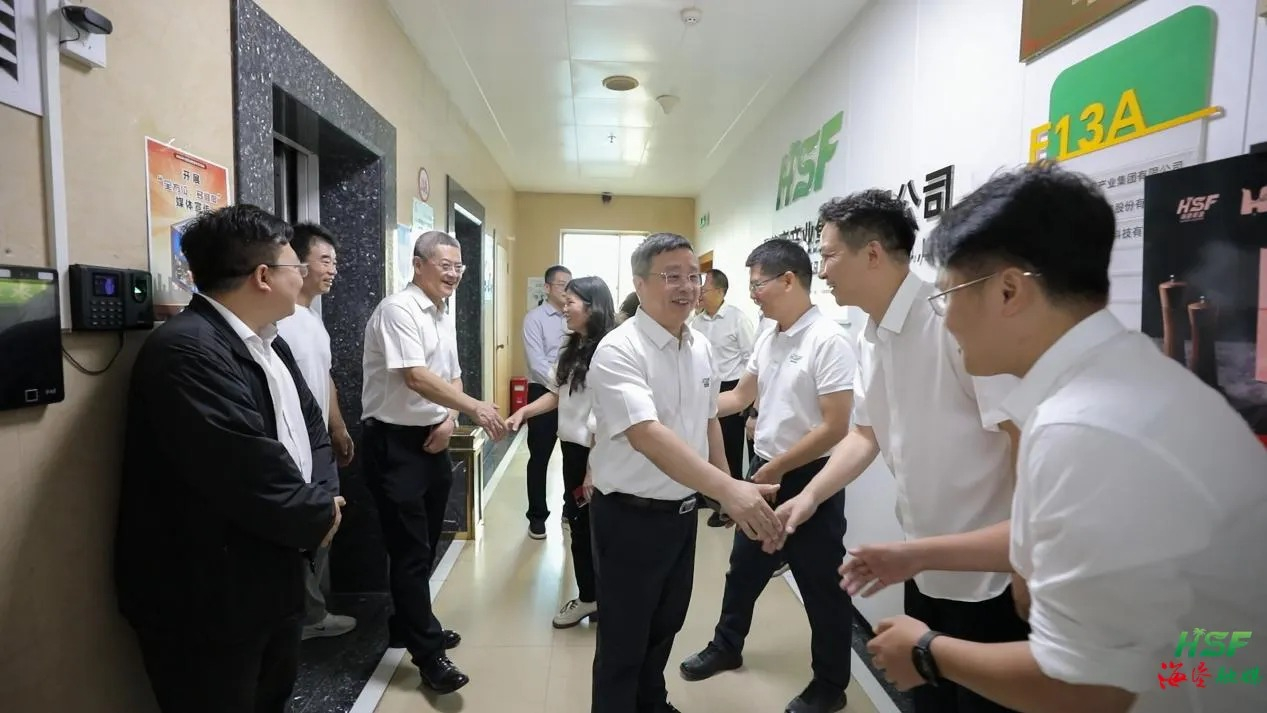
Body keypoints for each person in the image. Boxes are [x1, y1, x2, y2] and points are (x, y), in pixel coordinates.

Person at [863, 163, 1267, 713]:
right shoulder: (1121, 377)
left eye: (948, 296)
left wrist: (928, 652)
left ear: (1009, 291)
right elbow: (1047, 532)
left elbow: (1089, 687)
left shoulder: (1082, 428)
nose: (947, 320)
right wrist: (914, 556)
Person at [773, 190, 1029, 713]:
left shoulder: (953, 319)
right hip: (924, 562)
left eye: (829, 255)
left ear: (872, 253)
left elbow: (1021, 437)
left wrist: (1027, 560)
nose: (822, 270)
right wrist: (811, 496)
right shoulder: (870, 335)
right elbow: (864, 434)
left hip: (993, 575)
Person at [115, 204, 343, 713]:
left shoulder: (269, 342)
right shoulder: (187, 352)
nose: (302, 276)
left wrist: (325, 496)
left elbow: (312, 428)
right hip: (207, 595)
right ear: (263, 276)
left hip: (271, 576)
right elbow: (247, 470)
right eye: (296, 266)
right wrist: (321, 512)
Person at [587, 232, 785, 713]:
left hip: (681, 514)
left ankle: (652, 703)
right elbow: (647, 435)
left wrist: (727, 490)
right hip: (628, 517)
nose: (688, 286)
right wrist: (727, 490)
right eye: (671, 276)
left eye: (694, 276)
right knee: (624, 639)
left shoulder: (699, 346)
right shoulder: (619, 349)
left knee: (666, 623)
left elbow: (708, 420)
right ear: (639, 283)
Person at [680, 239, 856, 713]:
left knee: (821, 585)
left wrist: (775, 467)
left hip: (811, 480)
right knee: (743, 570)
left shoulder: (828, 340)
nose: (753, 294)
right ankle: (726, 646)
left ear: (788, 280)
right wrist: (684, 408)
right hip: (765, 471)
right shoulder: (770, 335)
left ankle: (831, 684)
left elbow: (835, 426)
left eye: (758, 284)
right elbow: (740, 397)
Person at [360, 230, 507, 694]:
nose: (454, 274)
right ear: (418, 264)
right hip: (395, 444)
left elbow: (452, 375)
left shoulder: (442, 311)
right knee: (409, 551)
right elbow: (416, 377)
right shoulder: (398, 311)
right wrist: (474, 408)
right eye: (445, 265)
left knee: (424, 544)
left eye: (459, 267)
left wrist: (449, 419)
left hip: (433, 437)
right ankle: (428, 656)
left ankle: (407, 624)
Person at [508, 276, 615, 629]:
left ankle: (600, 598)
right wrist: (524, 412)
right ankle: (591, 597)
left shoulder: (609, 350)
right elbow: (556, 393)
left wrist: (593, 470)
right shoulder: (573, 345)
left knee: (596, 527)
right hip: (574, 451)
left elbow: (605, 413)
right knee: (580, 525)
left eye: (571, 302)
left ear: (592, 307)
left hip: (597, 454)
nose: (564, 308)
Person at [275, 222, 358, 641]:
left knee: (327, 521)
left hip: (319, 441)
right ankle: (303, 616)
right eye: (325, 260)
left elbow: (324, 379)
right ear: (297, 261)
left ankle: (309, 611)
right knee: (306, 526)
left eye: (335, 262)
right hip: (293, 443)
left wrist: (338, 428)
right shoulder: (279, 322)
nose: (332, 270)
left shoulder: (311, 320)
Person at [692, 268, 757, 527]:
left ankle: (728, 505)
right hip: (704, 388)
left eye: (704, 289)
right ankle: (706, 495)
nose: (700, 293)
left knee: (729, 447)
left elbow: (751, 358)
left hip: (733, 388)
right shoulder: (697, 321)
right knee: (703, 445)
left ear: (720, 291)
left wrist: (746, 397)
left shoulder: (737, 319)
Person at [522, 264, 573, 539]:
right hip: (542, 391)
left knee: (573, 455)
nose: (566, 290)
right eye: (561, 284)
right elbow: (537, 363)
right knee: (539, 457)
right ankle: (537, 516)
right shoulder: (535, 319)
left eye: (569, 285)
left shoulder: (574, 315)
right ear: (547, 287)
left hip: (573, 394)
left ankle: (570, 510)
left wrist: (570, 389)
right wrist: (561, 386)